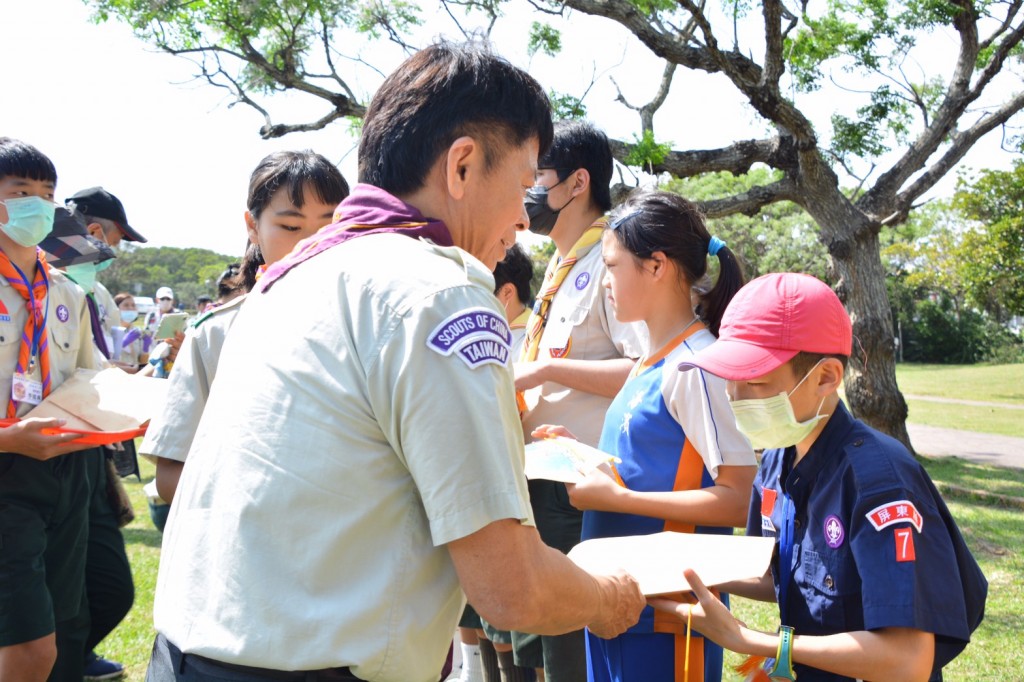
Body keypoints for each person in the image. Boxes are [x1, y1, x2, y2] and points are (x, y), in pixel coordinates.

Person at [145, 41, 646, 682]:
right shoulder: (438, 294)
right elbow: (510, 586)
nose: (524, 219)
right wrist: (610, 597)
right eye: (523, 186)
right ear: (462, 166)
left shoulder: (295, 275)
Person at [651, 272, 988, 682]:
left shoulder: (880, 482)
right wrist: (677, 563)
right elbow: (777, 573)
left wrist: (752, 642)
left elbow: (907, 659)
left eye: (754, 381)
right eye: (729, 379)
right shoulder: (778, 458)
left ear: (826, 377)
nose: (734, 398)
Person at [531, 191, 755, 682]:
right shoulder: (650, 363)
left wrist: (620, 497)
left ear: (656, 266)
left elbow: (738, 499)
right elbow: (649, 467)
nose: (605, 281)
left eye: (612, 266)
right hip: (618, 605)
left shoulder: (697, 366)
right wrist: (580, 454)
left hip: (670, 617)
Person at [139, 149, 349, 516]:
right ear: (253, 226)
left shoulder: (373, 325)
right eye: (291, 227)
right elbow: (171, 475)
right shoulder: (214, 335)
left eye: (330, 226)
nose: (312, 244)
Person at [514, 120, 647, 681]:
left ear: (576, 183)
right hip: (535, 477)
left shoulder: (610, 263)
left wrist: (545, 367)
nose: (527, 191)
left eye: (537, 176)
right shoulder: (558, 264)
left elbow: (644, 368)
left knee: (569, 645)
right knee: (537, 642)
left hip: (576, 487)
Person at [0, 137, 102, 682]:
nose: (38, 204)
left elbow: (89, 380)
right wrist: (10, 439)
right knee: (29, 648)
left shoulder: (66, 291)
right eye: (21, 191)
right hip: (6, 469)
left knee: (56, 634)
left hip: (64, 472)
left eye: (47, 193)